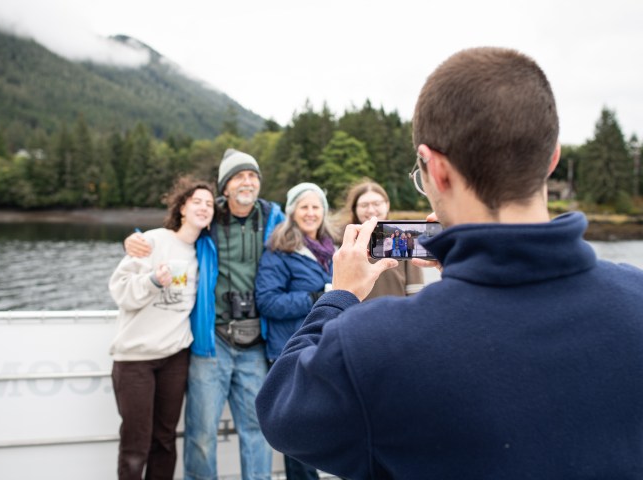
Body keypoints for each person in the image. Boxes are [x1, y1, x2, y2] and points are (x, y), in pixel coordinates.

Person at [255, 47, 643, 479]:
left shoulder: (375, 344)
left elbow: (281, 412)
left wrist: (338, 296)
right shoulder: (636, 298)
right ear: (552, 158)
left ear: (437, 171)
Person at [125, 148, 284, 480]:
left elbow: (311, 239)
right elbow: (170, 238)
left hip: (257, 341)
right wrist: (134, 242)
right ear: (224, 187)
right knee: (200, 434)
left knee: (257, 431)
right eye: (239, 176)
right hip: (213, 342)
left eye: (253, 175)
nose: (247, 182)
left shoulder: (274, 219)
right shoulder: (209, 217)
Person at [108, 177, 216, 480]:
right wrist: (153, 282)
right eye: (197, 201)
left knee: (165, 440)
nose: (204, 207)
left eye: (209, 204)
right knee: (135, 444)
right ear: (182, 207)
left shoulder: (204, 253)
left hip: (175, 357)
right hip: (135, 359)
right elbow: (120, 291)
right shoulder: (153, 241)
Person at [255, 182, 335, 480]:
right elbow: (267, 302)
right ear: (292, 212)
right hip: (291, 351)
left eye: (316, 206)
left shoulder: (332, 248)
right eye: (304, 206)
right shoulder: (279, 249)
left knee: (327, 428)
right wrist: (316, 298)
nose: (311, 213)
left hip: (327, 347)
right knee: (298, 436)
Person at [338, 179, 424, 298]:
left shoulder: (402, 235)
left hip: (396, 313)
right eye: (364, 205)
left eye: (377, 204)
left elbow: (415, 290)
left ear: (387, 205)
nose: (371, 210)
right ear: (354, 209)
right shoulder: (344, 241)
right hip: (356, 314)